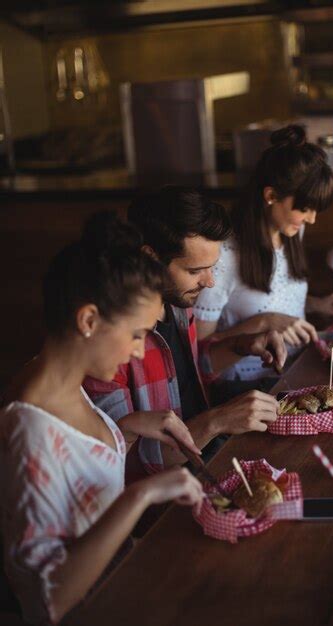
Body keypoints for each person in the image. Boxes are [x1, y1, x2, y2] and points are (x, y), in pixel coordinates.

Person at [0, 213, 204, 624]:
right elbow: (48, 599)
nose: (137, 350)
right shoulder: (29, 429)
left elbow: (77, 479)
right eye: (136, 334)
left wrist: (127, 429)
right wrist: (141, 495)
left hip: (125, 588)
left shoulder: (63, 381)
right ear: (88, 320)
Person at [84, 187, 287, 476]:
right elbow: (126, 462)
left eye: (211, 268)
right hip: (168, 489)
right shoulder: (112, 338)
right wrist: (217, 421)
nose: (209, 282)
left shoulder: (178, 301)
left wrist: (240, 346)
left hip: (210, 457)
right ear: (151, 258)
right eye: (195, 271)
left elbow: (187, 371)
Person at [194, 124, 333, 381]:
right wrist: (264, 322)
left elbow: (277, 298)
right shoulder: (223, 255)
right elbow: (198, 351)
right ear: (271, 195)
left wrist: (318, 303)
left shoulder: (291, 231)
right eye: (305, 208)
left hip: (297, 371)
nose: (311, 219)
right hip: (248, 388)